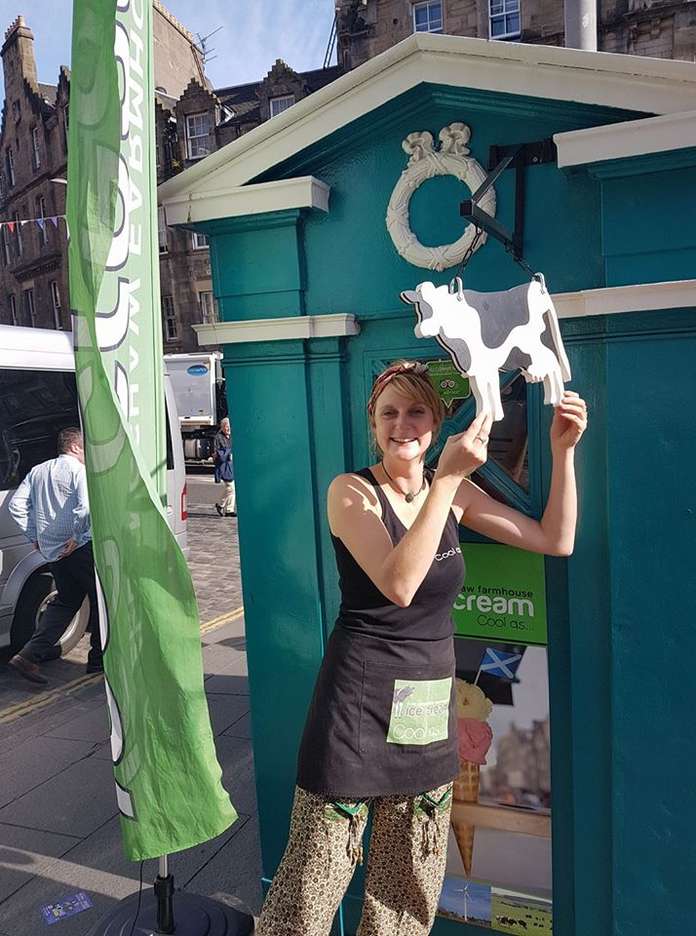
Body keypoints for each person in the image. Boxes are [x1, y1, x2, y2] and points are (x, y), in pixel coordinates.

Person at [255, 360, 587, 936]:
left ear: (436, 423)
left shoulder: (451, 492)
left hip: (427, 707)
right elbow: (399, 585)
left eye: (415, 412)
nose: (401, 425)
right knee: (311, 884)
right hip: (355, 709)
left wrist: (563, 452)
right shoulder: (352, 492)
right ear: (373, 424)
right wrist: (448, 483)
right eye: (389, 413)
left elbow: (555, 539)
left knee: (406, 888)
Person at [7, 427, 103, 685]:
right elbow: (85, 508)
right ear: (74, 447)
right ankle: (98, 660)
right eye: (84, 447)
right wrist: (78, 536)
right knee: (102, 600)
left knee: (66, 601)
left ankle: (28, 656)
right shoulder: (78, 471)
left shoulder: (37, 471)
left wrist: (34, 536)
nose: (87, 453)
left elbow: (16, 506)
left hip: (53, 551)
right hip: (80, 548)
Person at [213, 416, 236, 517]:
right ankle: (223, 506)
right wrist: (226, 454)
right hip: (223, 466)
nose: (228, 428)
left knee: (231, 488)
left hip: (231, 465)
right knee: (231, 487)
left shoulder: (232, 436)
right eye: (226, 426)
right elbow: (216, 453)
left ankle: (227, 509)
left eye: (229, 426)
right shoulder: (218, 437)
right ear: (222, 427)